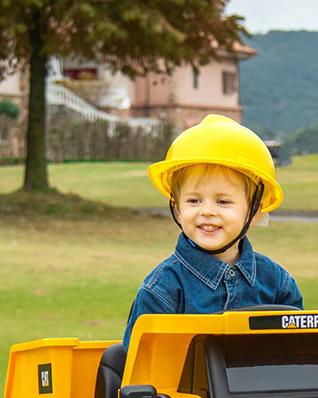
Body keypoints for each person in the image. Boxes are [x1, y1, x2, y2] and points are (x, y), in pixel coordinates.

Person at [122, 114, 302, 349]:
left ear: (254, 211)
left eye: (223, 202)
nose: (207, 211)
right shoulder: (162, 290)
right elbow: (142, 369)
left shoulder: (278, 284)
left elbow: (297, 356)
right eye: (194, 201)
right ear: (176, 209)